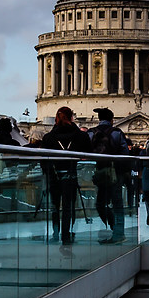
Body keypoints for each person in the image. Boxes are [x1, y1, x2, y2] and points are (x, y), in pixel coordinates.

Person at [31, 105, 90, 246]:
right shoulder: (81, 136)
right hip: (71, 175)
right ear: (71, 118)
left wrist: (48, 172)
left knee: (55, 207)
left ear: (56, 119)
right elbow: (89, 154)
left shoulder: (48, 137)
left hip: (54, 176)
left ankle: (55, 233)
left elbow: (43, 160)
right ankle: (67, 235)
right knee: (69, 207)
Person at [87, 108, 133, 243]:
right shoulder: (117, 133)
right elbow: (125, 155)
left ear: (99, 119)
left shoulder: (91, 133)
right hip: (115, 172)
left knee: (100, 203)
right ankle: (118, 233)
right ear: (112, 120)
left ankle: (114, 227)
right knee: (117, 204)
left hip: (99, 171)